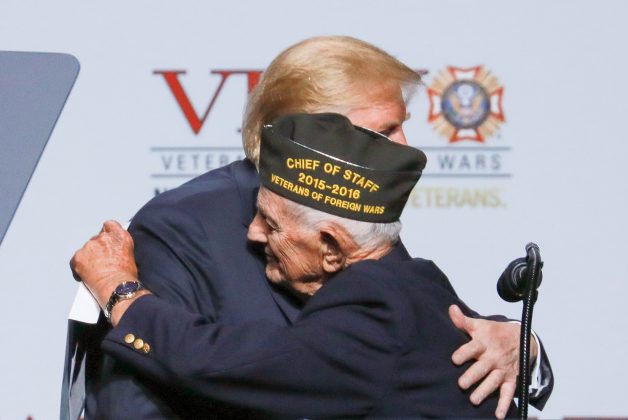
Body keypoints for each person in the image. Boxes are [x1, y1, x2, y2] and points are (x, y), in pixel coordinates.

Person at [63, 36, 552, 419]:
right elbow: (138, 401)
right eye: (383, 132)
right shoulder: (183, 226)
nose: (405, 146)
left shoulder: (363, 234)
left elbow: (423, 337)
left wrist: (521, 342)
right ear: (311, 133)